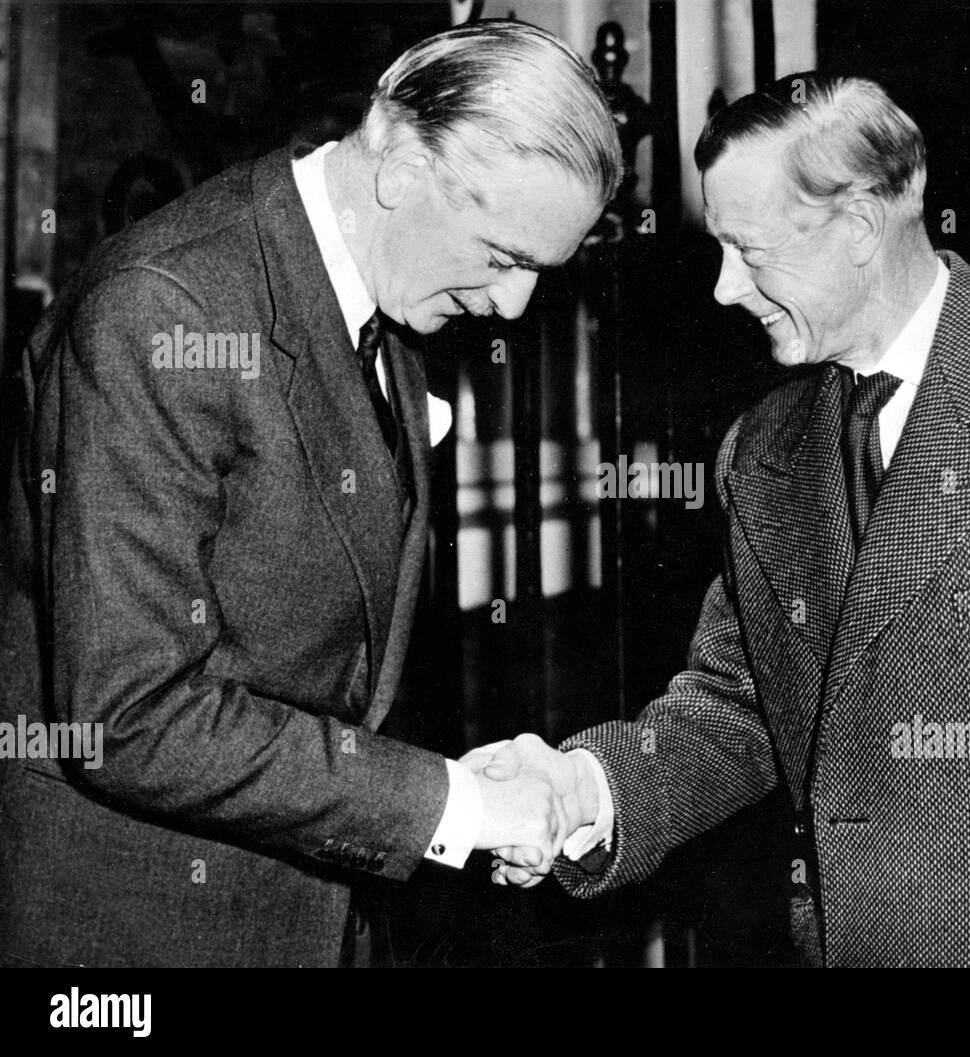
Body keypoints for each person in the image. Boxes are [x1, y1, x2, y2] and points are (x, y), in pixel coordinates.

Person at [473, 73, 970, 968]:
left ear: (861, 227)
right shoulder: (763, 447)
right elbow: (739, 703)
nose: (722, 289)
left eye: (749, 251)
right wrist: (586, 787)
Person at [0, 20, 620, 968]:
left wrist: (445, 793)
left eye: (541, 269)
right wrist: (455, 803)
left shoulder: (383, 296)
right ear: (401, 163)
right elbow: (130, 715)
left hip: (302, 918)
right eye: (503, 255)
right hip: (144, 930)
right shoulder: (165, 307)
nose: (512, 306)